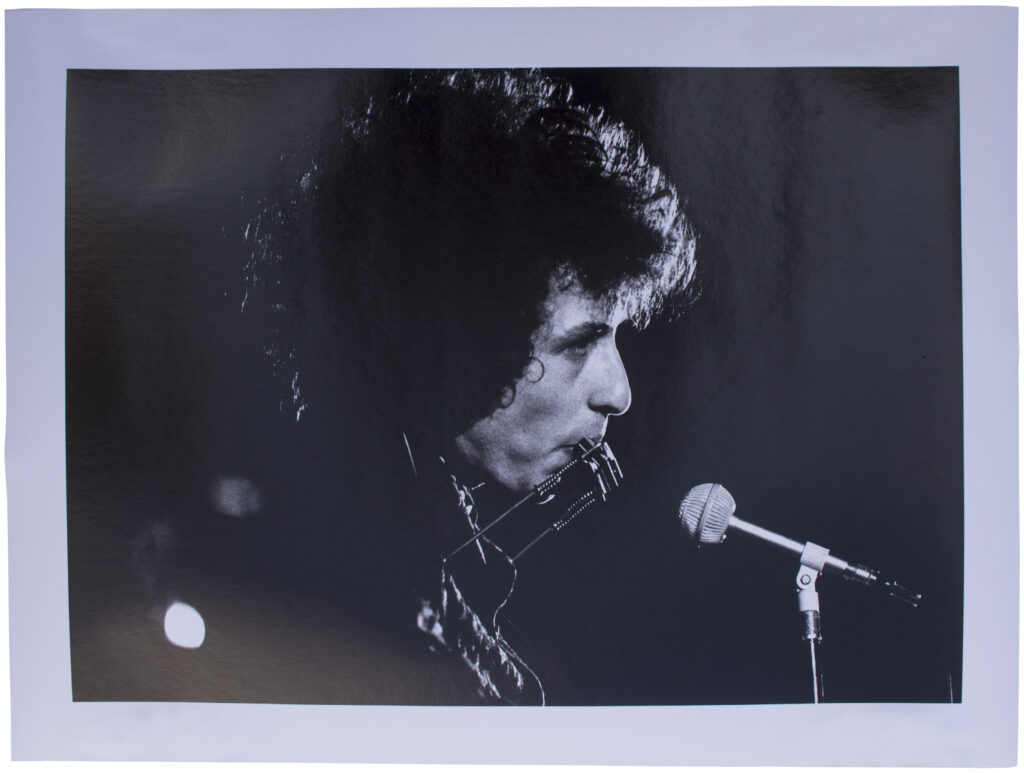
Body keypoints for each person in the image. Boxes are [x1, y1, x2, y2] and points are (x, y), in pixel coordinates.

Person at [244, 69, 697, 704]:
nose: (618, 393)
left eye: (615, 337)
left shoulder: (422, 543)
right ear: (450, 339)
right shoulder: (322, 583)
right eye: (578, 342)